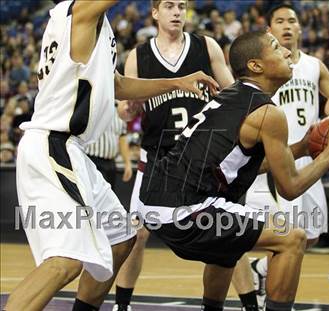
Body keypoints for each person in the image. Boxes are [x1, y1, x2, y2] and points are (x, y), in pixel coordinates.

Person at [5, 1, 219, 310]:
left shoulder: (97, 27)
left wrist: (176, 81)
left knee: (121, 239)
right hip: (53, 145)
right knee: (65, 263)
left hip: (73, 150)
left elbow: (116, 84)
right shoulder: (78, 13)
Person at [137, 30, 329, 311]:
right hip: (186, 209)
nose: (285, 51)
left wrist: (303, 148)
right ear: (256, 65)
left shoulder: (234, 96)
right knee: (293, 238)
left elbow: (239, 165)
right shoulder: (268, 113)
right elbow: (290, 187)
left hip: (156, 202)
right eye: (275, 47)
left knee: (227, 246)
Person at [113, 1, 258, 311]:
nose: (177, 11)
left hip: (203, 160)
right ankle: (121, 305)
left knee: (231, 233)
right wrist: (129, 108)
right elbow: (125, 110)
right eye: (169, 6)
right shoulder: (138, 55)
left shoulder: (207, 46)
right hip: (157, 158)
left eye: (181, 6)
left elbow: (237, 94)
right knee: (135, 235)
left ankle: (250, 305)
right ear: (155, 13)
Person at [244, 5, 329, 307]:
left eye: (292, 20)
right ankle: (272, 297)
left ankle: (258, 269)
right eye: (280, 21)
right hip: (280, 157)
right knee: (290, 238)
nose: (287, 26)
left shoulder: (315, 66)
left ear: (301, 29)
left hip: (311, 157)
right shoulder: (267, 67)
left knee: (312, 235)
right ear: (269, 31)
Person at [86, 106, 133, 190]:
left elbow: (122, 137)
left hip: (111, 163)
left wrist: (127, 163)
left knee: (109, 196)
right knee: (93, 197)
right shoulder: (95, 103)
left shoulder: (120, 108)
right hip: (92, 160)